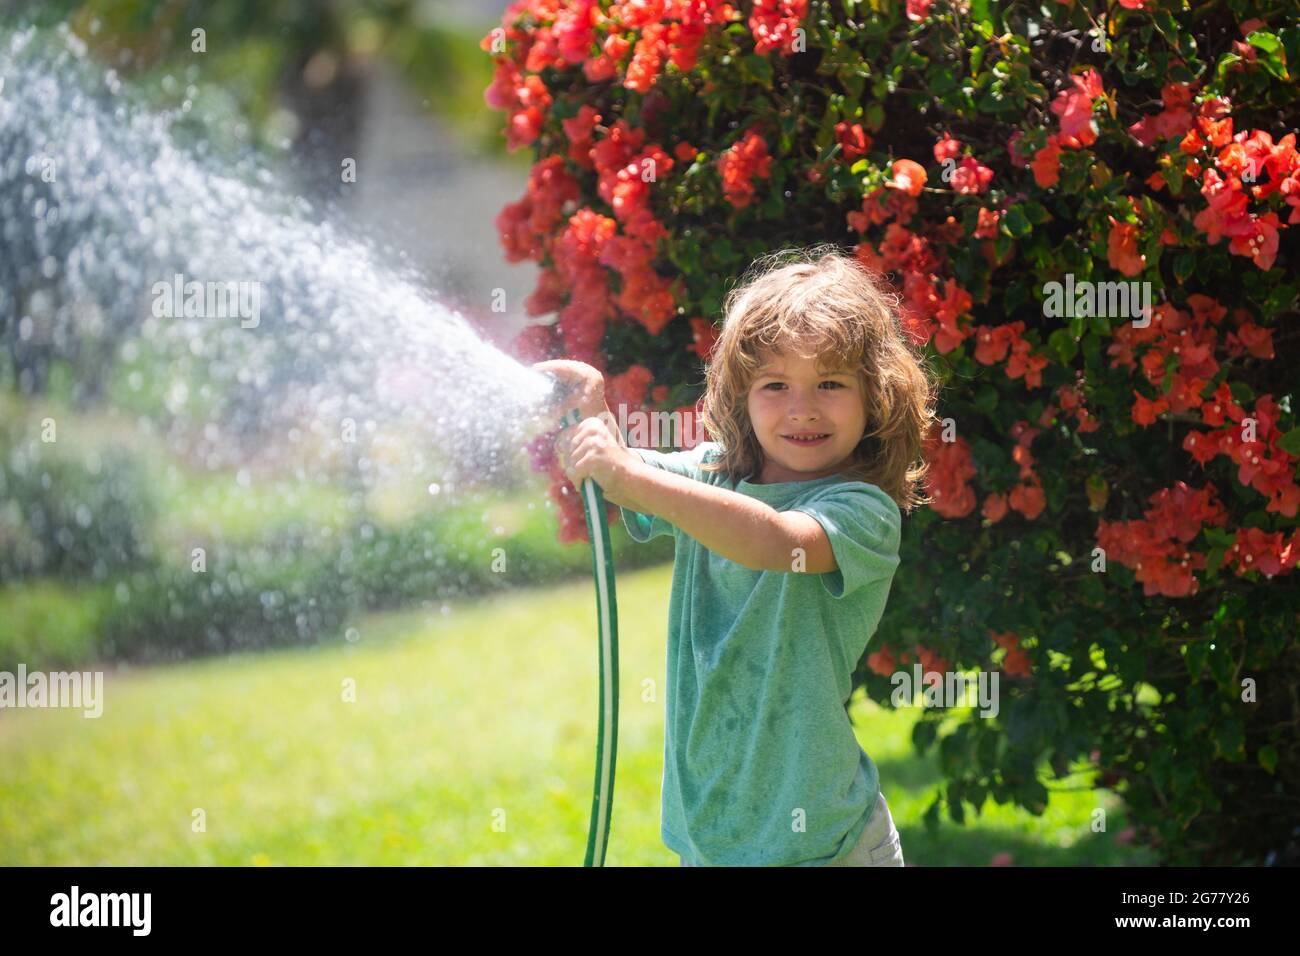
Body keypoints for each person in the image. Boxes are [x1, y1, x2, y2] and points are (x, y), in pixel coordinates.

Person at [533, 244, 938, 866]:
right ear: (741, 394)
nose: (802, 407)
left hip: (817, 843)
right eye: (775, 385)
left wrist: (633, 479)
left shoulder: (862, 509)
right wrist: (591, 417)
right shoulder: (711, 474)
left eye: (830, 383)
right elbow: (622, 472)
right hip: (712, 835)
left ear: (876, 396)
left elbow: (779, 542)